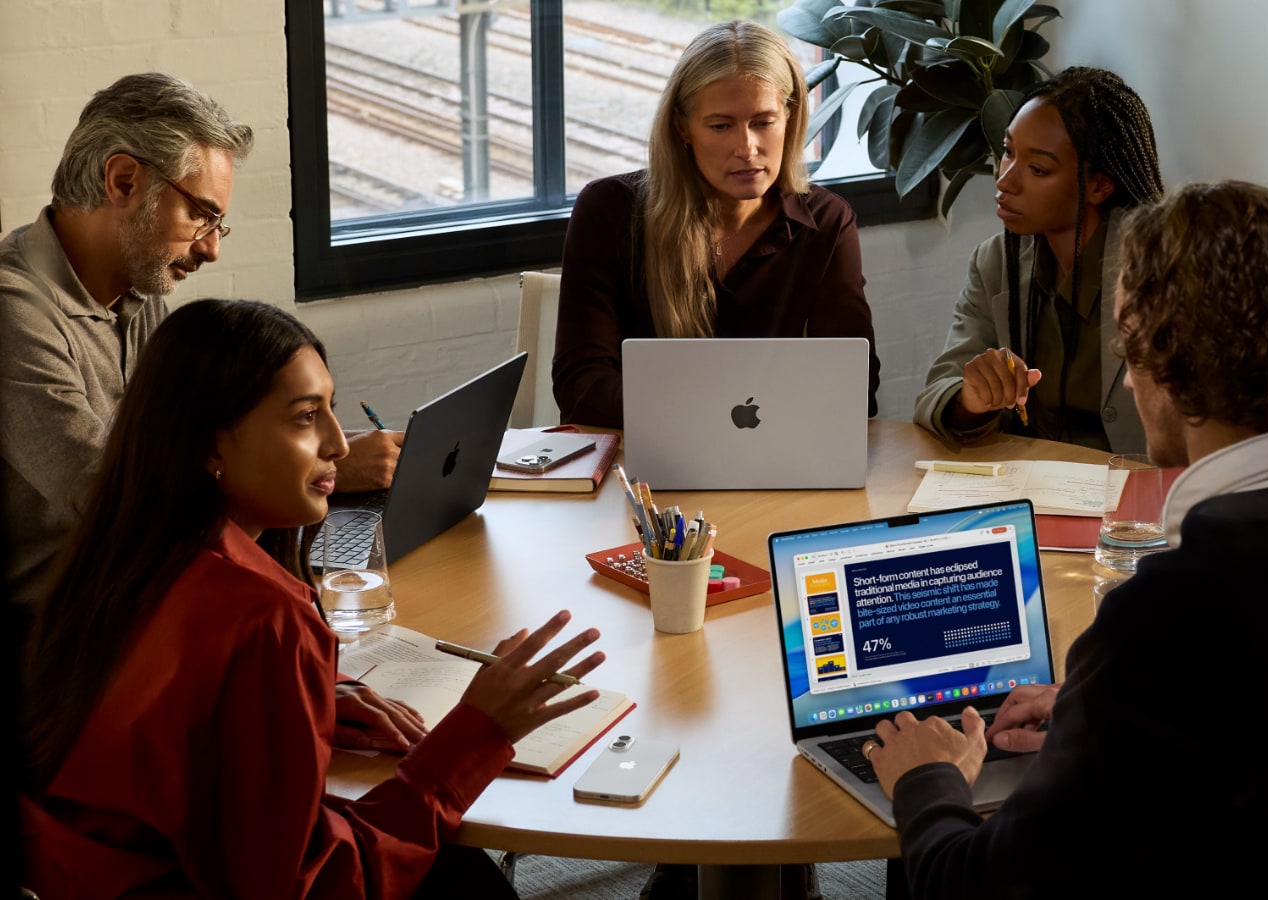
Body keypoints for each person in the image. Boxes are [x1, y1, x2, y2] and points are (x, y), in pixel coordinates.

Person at [17, 299, 607, 897]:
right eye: (304, 418)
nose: (339, 445)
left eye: (330, 409)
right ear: (210, 446)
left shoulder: (117, 556)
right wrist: (480, 730)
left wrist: (318, 693)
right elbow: (314, 886)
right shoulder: (263, 620)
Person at [866, 180, 1268, 896]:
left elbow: (976, 885)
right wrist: (1092, 700)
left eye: (1129, 352)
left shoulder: (1168, 609)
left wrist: (927, 779)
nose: (1124, 387)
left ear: (1166, 362)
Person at [0, 72, 402, 620]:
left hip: (155, 591)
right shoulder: (12, 312)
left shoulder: (135, 289)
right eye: (201, 214)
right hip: (68, 640)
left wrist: (304, 440)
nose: (211, 248)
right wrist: (313, 469)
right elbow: (110, 496)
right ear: (122, 181)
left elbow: (182, 444)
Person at [552, 19, 880, 429]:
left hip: (773, 459)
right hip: (642, 466)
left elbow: (855, 387)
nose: (747, 148)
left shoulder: (827, 220)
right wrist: (717, 417)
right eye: (721, 126)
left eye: (763, 122)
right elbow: (580, 388)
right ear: (682, 128)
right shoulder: (610, 210)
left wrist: (692, 409)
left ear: (790, 118)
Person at [913, 66, 1164, 452]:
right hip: (1029, 492)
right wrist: (970, 399)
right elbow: (936, 395)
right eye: (1008, 152)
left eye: (1037, 169)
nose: (1004, 180)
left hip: (1136, 498)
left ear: (1098, 185)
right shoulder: (996, 262)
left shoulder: (1160, 269)